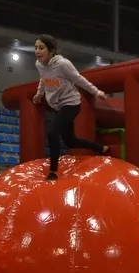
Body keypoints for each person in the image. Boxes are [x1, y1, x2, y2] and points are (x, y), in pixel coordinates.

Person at [31, 34, 110, 181]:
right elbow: (43, 78)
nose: (37, 51)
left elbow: (79, 79)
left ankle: (53, 171)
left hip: (71, 103)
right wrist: (39, 94)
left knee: (52, 133)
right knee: (70, 141)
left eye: (41, 48)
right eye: (35, 48)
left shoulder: (63, 64)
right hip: (58, 106)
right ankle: (101, 148)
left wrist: (96, 92)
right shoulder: (39, 64)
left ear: (51, 50)